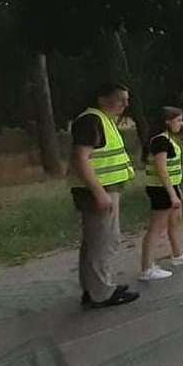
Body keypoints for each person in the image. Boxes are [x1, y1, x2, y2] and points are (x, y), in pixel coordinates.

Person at [70, 83, 140, 308]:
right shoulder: (92, 121)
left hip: (105, 188)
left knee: (95, 242)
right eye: (120, 99)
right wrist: (99, 193)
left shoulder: (102, 119)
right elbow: (82, 158)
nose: (125, 104)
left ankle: (94, 288)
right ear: (102, 99)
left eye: (126, 100)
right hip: (98, 191)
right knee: (104, 242)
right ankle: (101, 293)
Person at [139, 107, 183, 281]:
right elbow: (161, 169)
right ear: (167, 121)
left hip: (170, 187)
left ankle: (178, 254)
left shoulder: (168, 139)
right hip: (160, 189)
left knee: (175, 221)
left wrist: (176, 190)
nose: (181, 124)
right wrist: (171, 194)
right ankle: (147, 268)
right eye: (178, 120)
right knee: (156, 228)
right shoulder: (160, 141)